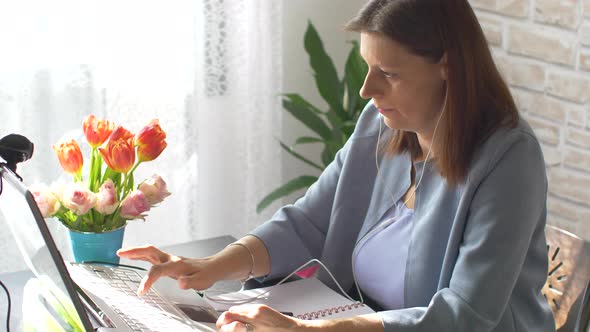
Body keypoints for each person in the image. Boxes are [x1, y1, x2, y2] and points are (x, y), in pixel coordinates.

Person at [118, 0, 557, 331]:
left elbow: (467, 314)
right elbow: (310, 222)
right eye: (368, 68)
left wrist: (326, 330)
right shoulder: (382, 125)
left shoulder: (509, 161)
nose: (367, 89)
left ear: (448, 66)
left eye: (389, 72)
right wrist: (211, 267)